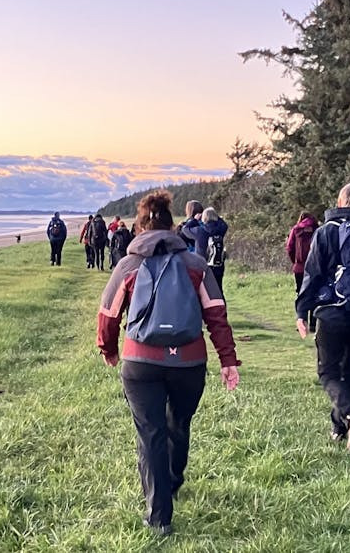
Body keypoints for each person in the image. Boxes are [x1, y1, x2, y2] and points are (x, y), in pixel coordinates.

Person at [97, 190, 240, 536]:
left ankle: (159, 516)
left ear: (140, 227)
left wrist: (109, 349)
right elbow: (217, 315)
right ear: (172, 226)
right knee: (179, 424)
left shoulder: (128, 265)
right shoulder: (195, 265)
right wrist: (227, 359)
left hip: (140, 362)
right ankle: (173, 480)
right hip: (189, 363)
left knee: (151, 433)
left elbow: (108, 315)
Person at [295, 182, 350, 456]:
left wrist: (302, 311)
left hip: (333, 313)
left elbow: (312, 273)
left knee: (329, 373)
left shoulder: (326, 232)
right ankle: (340, 429)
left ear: (340, 201)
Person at [180, 207, 229, 291]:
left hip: (202, 265)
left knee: (204, 291)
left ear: (204, 218)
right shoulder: (221, 229)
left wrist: (194, 220)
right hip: (217, 265)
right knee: (218, 290)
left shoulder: (199, 231)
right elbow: (225, 224)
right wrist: (217, 217)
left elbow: (185, 229)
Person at [285, 211, 318, 291]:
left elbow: (289, 247)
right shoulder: (317, 229)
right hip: (315, 267)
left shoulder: (296, 229)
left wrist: (295, 262)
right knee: (314, 292)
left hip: (299, 267)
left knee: (300, 292)